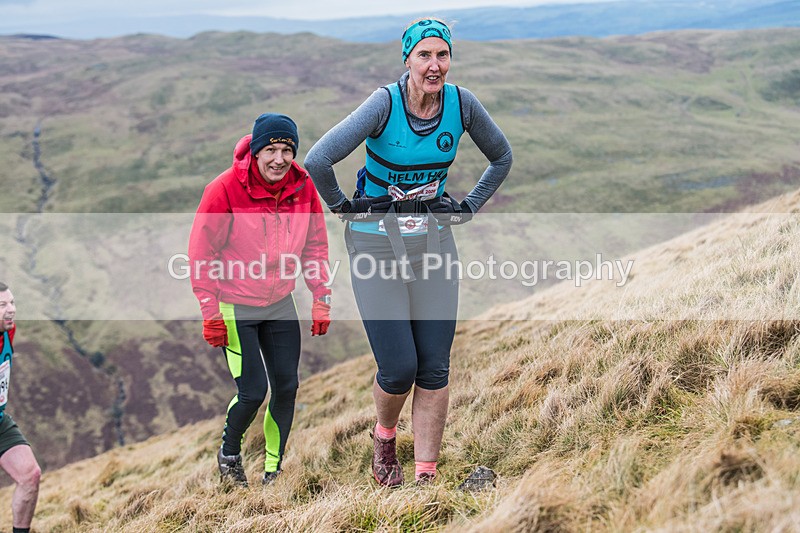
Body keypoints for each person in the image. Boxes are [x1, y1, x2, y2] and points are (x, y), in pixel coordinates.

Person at [305, 18, 512, 487]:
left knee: (435, 367)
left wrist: (466, 208)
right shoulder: (385, 103)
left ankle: (425, 477)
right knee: (399, 368)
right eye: (425, 55)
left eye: (442, 55)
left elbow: (502, 157)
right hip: (376, 245)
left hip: (434, 244)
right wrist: (344, 207)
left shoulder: (462, 104)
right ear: (408, 59)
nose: (434, 65)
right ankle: (384, 438)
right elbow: (318, 159)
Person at [188, 113, 332, 487]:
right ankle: (230, 452)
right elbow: (202, 255)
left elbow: (315, 248)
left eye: (287, 150)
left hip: (281, 303)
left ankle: (273, 470)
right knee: (252, 393)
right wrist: (209, 312)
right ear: (255, 151)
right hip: (235, 307)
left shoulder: (303, 188)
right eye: (271, 149)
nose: (279, 159)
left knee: (287, 388)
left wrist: (321, 297)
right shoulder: (223, 190)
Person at [0, 282, 42, 533]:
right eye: (2, 305)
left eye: (12, 303)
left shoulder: (9, 331)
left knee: (30, 475)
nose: (11, 310)